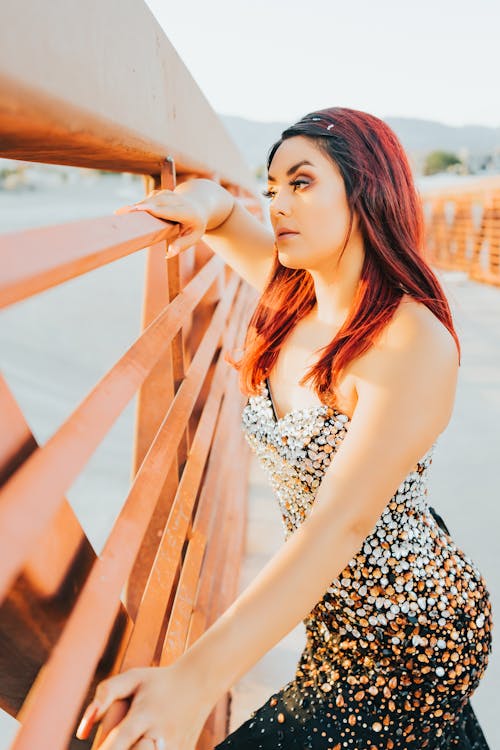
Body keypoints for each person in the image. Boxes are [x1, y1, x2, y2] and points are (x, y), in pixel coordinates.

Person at [75, 107, 493, 749]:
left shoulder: (411, 339)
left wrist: (195, 679)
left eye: (301, 183)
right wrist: (200, 198)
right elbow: (220, 215)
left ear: (368, 189)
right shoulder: (293, 298)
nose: (276, 205)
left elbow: (341, 523)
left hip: (407, 634)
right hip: (331, 623)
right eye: (270, 188)